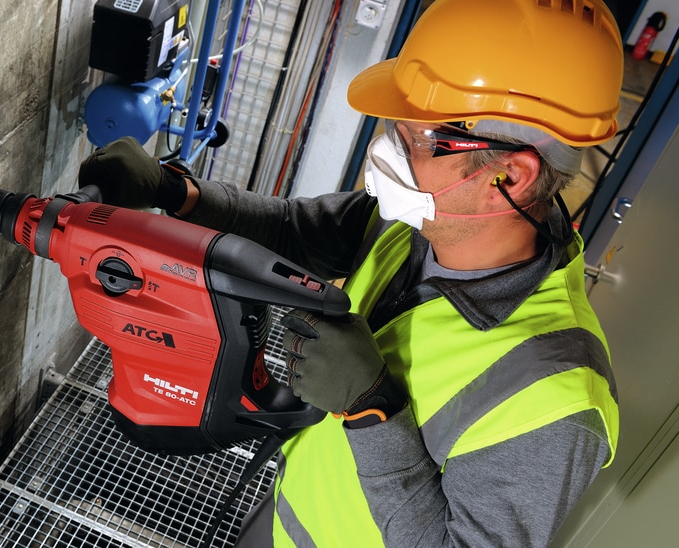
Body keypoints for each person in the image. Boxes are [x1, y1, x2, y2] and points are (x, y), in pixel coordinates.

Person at [76, 0, 622, 546]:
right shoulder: (418, 220)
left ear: (509, 177)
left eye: (414, 140)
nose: (386, 153)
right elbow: (296, 231)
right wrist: (176, 191)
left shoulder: (553, 398)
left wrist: (371, 409)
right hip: (285, 513)